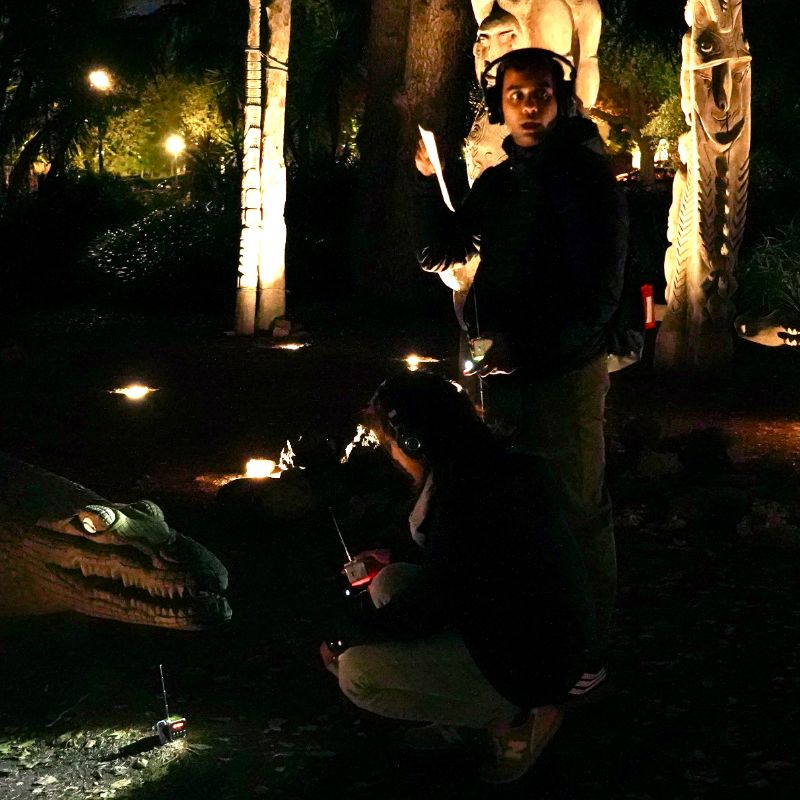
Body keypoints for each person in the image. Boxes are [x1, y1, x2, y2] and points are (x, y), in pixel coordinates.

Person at [412, 47, 628, 649]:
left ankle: (589, 650)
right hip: (499, 374)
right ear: (498, 106)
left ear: (560, 99)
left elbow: (601, 292)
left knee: (579, 510)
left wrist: (530, 348)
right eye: (515, 96)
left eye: (540, 94)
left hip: (564, 373)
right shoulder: (498, 183)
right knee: (509, 509)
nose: (528, 106)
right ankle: (531, 635)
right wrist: (433, 184)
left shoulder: (588, 180)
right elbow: (442, 253)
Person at [321, 371, 604, 784]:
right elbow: (451, 574)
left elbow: (429, 608)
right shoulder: (485, 470)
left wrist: (343, 633)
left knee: (357, 672)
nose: (393, 456)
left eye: (391, 444)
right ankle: (466, 702)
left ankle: (515, 716)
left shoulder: (468, 502)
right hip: (525, 633)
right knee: (390, 580)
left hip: (535, 666)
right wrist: (386, 562)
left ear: (413, 440)